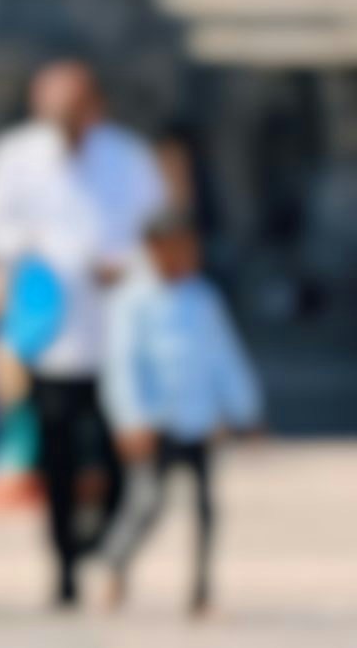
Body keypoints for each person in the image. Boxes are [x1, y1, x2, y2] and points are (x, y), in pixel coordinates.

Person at [0, 58, 168, 608]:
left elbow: (158, 230)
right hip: (48, 331)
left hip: (115, 330)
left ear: (94, 105)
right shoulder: (13, 156)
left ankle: (99, 541)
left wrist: (123, 263)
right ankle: (62, 566)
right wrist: (36, 249)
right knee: (55, 456)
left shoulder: (128, 158)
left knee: (117, 452)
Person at [94, 212, 263, 615]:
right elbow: (122, 365)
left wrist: (245, 408)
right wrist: (130, 420)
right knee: (148, 503)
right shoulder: (131, 300)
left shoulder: (203, 298)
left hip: (198, 419)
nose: (185, 258)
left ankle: (201, 589)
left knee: (206, 508)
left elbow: (224, 356)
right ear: (153, 250)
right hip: (156, 422)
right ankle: (117, 561)